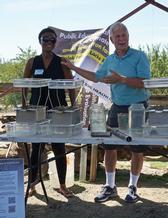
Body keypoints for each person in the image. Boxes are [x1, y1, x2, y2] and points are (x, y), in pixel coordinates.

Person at [62, 22, 151, 203]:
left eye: (124, 35)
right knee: (109, 146)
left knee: (137, 148)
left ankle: (133, 187)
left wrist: (121, 79)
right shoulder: (109, 60)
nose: (121, 39)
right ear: (111, 40)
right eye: (117, 36)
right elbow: (96, 77)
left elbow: (143, 82)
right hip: (117, 107)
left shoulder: (139, 56)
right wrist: (74, 68)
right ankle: (110, 187)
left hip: (138, 108)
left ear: (128, 36)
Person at [23, 27, 75, 198]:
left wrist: (72, 106)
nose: (49, 43)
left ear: (55, 43)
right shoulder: (32, 62)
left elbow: (71, 84)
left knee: (58, 147)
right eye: (46, 39)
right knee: (35, 148)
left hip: (58, 111)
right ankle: (32, 185)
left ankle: (62, 185)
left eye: (52, 40)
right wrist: (25, 106)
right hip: (37, 110)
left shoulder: (62, 62)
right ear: (40, 41)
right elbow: (24, 84)